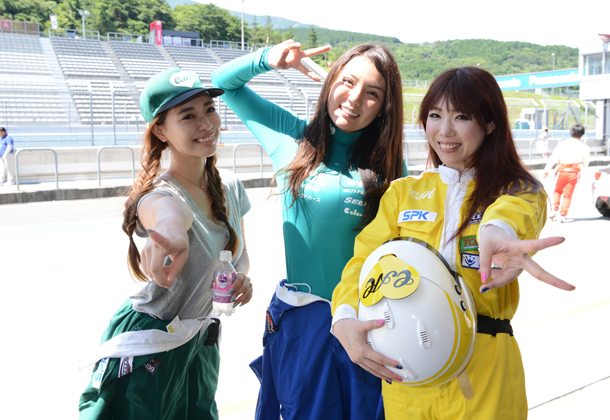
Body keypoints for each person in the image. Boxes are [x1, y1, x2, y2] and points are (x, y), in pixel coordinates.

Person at [332, 66, 575, 420]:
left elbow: (514, 214)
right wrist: (342, 317)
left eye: (461, 117)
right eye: (435, 115)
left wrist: (498, 229)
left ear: (490, 124)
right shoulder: (402, 193)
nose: (445, 131)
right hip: (405, 378)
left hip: (484, 373)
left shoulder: (519, 190)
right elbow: (363, 263)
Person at [211, 40, 407, 420]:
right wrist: (269, 59)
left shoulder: (389, 164)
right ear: (330, 80)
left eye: (372, 93)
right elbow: (223, 84)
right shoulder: (292, 138)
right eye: (347, 82)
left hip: (367, 324)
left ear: (385, 106)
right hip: (304, 323)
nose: (354, 98)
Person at [78, 68, 253, 420]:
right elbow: (168, 215)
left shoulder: (230, 186)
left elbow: (240, 254)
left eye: (209, 109)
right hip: (152, 340)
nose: (206, 123)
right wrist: (172, 237)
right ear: (161, 131)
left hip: (199, 340)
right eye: (188, 116)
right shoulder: (160, 194)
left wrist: (240, 278)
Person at [543, 123, 589, 222]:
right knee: (568, 195)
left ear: (571, 132)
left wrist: (547, 170)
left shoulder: (563, 143)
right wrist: (582, 171)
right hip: (574, 172)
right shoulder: (585, 147)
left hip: (562, 170)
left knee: (557, 191)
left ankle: (554, 210)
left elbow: (554, 157)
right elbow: (586, 163)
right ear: (582, 134)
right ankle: (562, 215)